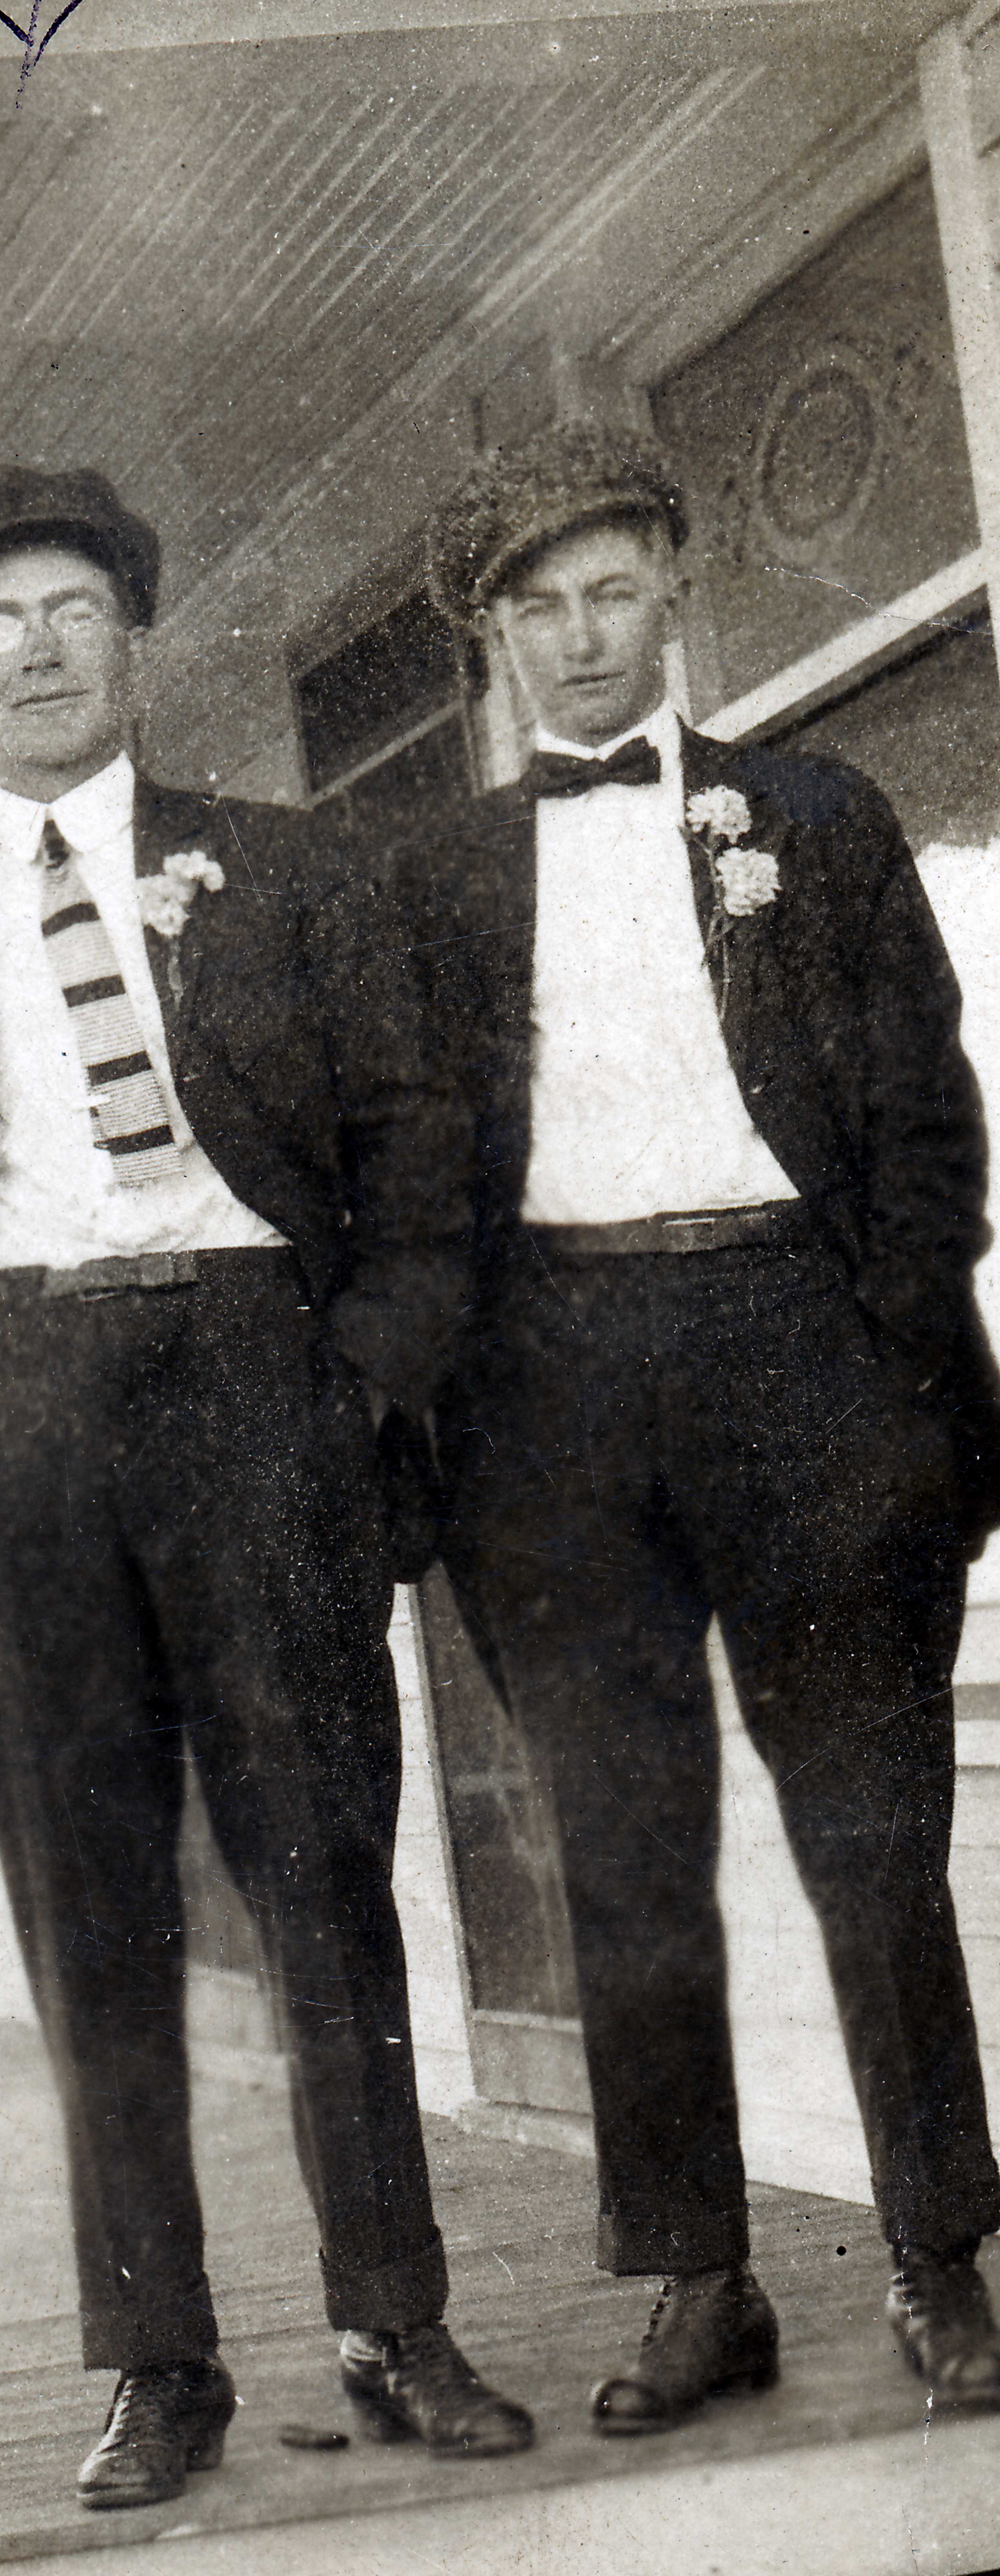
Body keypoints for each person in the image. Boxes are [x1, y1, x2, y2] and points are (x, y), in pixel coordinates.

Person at [0, 462, 527, 2510]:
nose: (37, 653)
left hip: (258, 1387)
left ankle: (394, 2320)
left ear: (134, 645)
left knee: (324, 1877)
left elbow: (420, 1145)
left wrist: (354, 1382)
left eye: (73, 613)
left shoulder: (294, 872)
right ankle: (158, 2361)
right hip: (17, 1423)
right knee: (88, 1914)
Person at [398, 417, 1000, 2435]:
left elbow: (927, 1120)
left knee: (872, 1834)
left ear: (674, 588)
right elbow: (406, 1170)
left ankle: (941, 2254)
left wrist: (888, 1361)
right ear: (494, 641)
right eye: (539, 609)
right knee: (622, 1850)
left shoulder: (814, 815)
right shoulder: (433, 878)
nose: (581, 637)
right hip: (554, 1391)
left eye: (613, 592)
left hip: (800, 1344)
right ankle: (697, 2282)